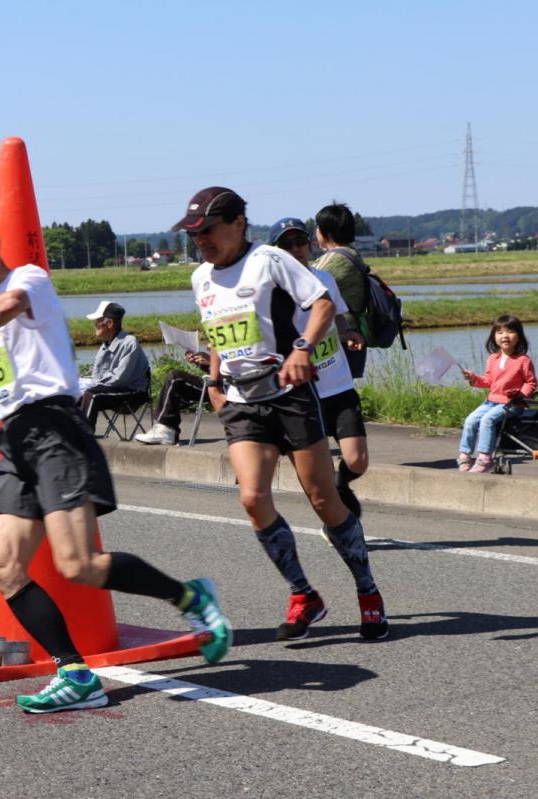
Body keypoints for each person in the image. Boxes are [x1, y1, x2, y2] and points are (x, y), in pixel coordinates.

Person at [0, 210, 231, 714]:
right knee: (3, 570)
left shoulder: (28, 282)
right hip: (13, 441)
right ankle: (75, 672)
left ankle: (190, 598)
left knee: (78, 565)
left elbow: (11, 307)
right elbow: (6, 384)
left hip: (55, 432)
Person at [173, 186, 388, 642]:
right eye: (194, 234)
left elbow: (323, 303)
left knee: (324, 500)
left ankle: (367, 591)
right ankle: (303, 593)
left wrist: (302, 348)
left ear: (237, 223)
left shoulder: (269, 260)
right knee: (252, 498)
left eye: (207, 230)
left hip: (289, 394)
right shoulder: (200, 278)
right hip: (241, 401)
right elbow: (215, 335)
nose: (201, 240)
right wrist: (214, 381)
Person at [270, 217, 367, 517]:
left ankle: (341, 485)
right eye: (287, 244)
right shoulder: (272, 292)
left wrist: (348, 332)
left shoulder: (324, 279)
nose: (297, 249)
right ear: (276, 253)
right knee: (315, 474)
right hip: (302, 394)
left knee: (357, 460)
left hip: (338, 384)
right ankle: (336, 521)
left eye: (301, 242)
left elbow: (337, 315)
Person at [459, 315, 537, 473]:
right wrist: (473, 378)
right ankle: (465, 455)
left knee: (487, 420)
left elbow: (531, 383)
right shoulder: (492, 358)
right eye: (500, 332)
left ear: (519, 336)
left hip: (513, 404)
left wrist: (520, 394)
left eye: (510, 331)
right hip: (491, 402)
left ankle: (485, 458)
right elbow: (488, 381)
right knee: (470, 420)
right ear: (494, 337)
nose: (505, 336)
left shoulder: (523, 360)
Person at [313, 203, 370, 379]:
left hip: (342, 337)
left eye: (317, 227)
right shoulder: (351, 253)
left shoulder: (334, 260)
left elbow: (306, 286)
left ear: (326, 232)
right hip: (353, 334)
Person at [78, 300, 150, 426]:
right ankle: (70, 433)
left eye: (98, 321)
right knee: (72, 394)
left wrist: (92, 386)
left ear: (110, 323)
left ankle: (85, 436)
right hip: (114, 389)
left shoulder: (129, 343)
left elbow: (119, 379)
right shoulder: (104, 345)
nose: (95, 324)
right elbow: (97, 376)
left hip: (133, 392)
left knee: (92, 395)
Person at [132, 350, 211, 445]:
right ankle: (165, 429)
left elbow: (230, 371)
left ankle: (166, 430)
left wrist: (211, 361)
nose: (209, 346)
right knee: (174, 381)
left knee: (175, 377)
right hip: (214, 380)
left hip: (223, 386)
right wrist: (201, 362)